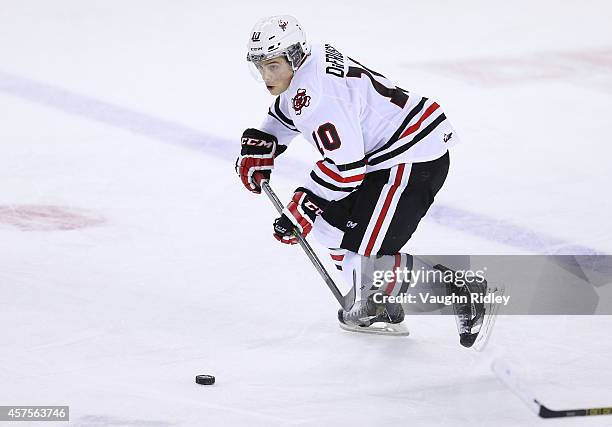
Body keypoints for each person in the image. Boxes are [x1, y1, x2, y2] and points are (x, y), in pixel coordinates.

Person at [236, 15, 462, 336]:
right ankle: (373, 303)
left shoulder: (319, 95)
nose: (265, 75)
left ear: (294, 57)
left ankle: (463, 294)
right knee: (329, 226)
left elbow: (347, 170)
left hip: (412, 157)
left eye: (272, 66)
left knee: (369, 259)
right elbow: (291, 106)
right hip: (385, 155)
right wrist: (267, 140)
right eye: (260, 66)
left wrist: (304, 203)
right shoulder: (307, 62)